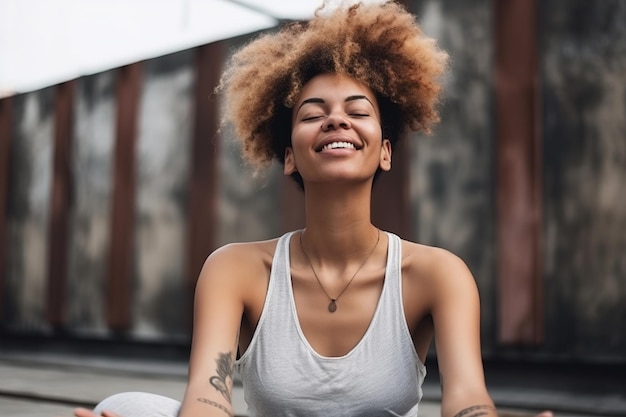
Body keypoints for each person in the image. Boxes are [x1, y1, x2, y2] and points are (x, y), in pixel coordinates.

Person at [74, 2, 552, 417]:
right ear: (288, 156)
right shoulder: (235, 268)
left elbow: (468, 397)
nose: (336, 118)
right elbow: (208, 391)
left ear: (384, 151)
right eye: (312, 113)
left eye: (358, 110)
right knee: (127, 406)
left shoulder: (437, 274)